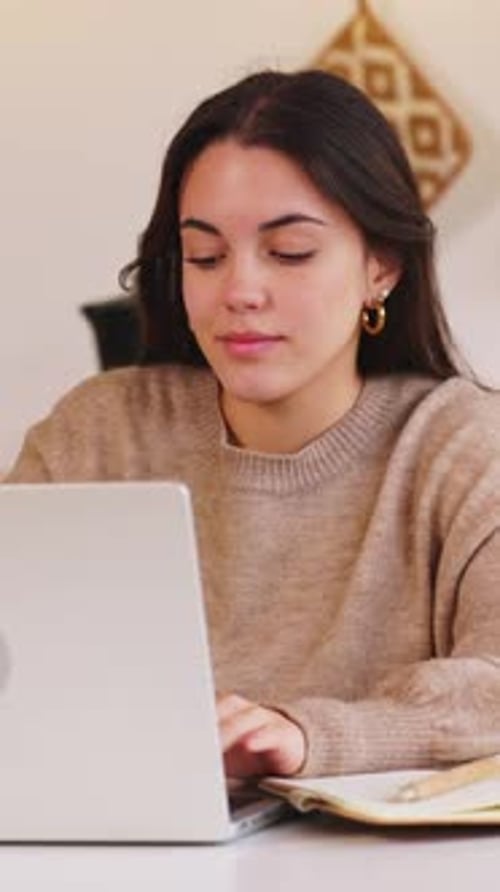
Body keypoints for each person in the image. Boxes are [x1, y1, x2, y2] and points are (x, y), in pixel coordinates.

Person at [5, 69, 500, 779]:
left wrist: (308, 735)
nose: (238, 291)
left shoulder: (464, 447)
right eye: (205, 256)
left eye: (290, 252)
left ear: (381, 267)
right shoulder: (97, 434)